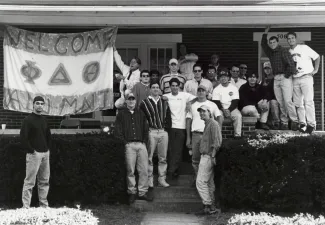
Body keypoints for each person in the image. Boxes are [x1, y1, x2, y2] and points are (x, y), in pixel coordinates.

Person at [114, 92, 153, 204]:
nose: (131, 101)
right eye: (129, 99)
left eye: (133, 99)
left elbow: (146, 129)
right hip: (129, 145)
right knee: (130, 170)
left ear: (136, 101)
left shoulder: (140, 113)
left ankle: (142, 192)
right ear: (126, 101)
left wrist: (144, 142)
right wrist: (125, 143)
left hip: (141, 145)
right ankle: (132, 192)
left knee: (144, 169)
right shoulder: (121, 114)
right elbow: (118, 130)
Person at [261, 26, 299, 131]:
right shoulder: (271, 53)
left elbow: (291, 65)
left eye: (274, 42)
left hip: (285, 77)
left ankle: (294, 121)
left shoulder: (283, 51)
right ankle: (284, 122)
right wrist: (265, 33)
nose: (272, 44)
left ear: (277, 42)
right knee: (280, 101)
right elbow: (263, 44)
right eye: (271, 42)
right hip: (276, 78)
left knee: (287, 101)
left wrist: (285, 76)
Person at [186, 85, 221, 185]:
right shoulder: (192, 105)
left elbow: (219, 117)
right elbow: (188, 120)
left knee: (209, 158)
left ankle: (207, 181)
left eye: (203, 90)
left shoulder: (212, 104)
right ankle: (198, 179)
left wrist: (218, 132)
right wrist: (188, 138)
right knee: (195, 159)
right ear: (197, 92)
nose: (201, 92)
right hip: (196, 134)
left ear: (206, 93)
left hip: (208, 135)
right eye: (199, 90)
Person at [20, 96, 51, 208]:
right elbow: (23, 138)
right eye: (37, 103)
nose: (40, 105)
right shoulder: (27, 120)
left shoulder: (44, 120)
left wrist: (47, 150)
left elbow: (48, 136)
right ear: (33, 104)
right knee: (29, 182)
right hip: (34, 155)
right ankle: (26, 207)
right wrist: (32, 151)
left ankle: (43, 206)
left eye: (42, 104)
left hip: (45, 154)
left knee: (44, 181)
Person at [287, 31, 320, 134]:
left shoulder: (304, 47)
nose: (291, 40)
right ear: (287, 40)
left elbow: (317, 57)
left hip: (306, 77)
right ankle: (303, 123)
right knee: (298, 103)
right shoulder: (288, 52)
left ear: (296, 39)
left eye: (292, 38)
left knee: (309, 101)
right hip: (295, 78)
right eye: (289, 38)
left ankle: (311, 124)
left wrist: (315, 70)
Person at [140, 81, 170, 188]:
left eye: (157, 87)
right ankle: (150, 180)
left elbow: (168, 117)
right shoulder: (144, 102)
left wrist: (166, 130)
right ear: (150, 89)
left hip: (162, 131)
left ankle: (162, 179)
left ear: (160, 89)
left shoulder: (164, 101)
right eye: (153, 87)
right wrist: (146, 131)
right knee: (149, 157)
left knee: (163, 157)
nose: (156, 89)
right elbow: (142, 120)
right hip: (151, 131)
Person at [163, 78, 196, 178]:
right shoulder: (166, 96)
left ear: (179, 86)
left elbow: (196, 98)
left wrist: (190, 103)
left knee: (178, 150)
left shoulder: (184, 95)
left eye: (176, 85)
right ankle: (173, 170)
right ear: (170, 86)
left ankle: (172, 170)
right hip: (170, 127)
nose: (174, 87)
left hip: (181, 127)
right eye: (172, 85)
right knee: (171, 150)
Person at [195, 105, 222, 215]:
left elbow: (217, 142)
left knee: (200, 182)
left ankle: (208, 204)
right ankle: (211, 207)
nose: (202, 114)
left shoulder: (213, 124)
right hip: (206, 156)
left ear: (210, 112)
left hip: (208, 157)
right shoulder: (207, 124)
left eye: (204, 111)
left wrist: (213, 156)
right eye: (200, 112)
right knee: (209, 183)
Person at [212, 68, 242, 138]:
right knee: (218, 116)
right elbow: (216, 102)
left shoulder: (233, 88)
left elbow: (235, 101)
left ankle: (237, 136)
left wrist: (229, 110)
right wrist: (223, 110)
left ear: (228, 78)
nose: (223, 78)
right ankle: (218, 137)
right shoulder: (216, 89)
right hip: (220, 108)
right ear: (219, 79)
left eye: (225, 77)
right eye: (221, 77)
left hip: (232, 107)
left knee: (238, 116)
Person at [262, 62, 280, 130]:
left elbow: (272, 92)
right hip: (265, 99)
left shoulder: (275, 79)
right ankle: (264, 123)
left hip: (274, 98)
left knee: (273, 102)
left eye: (269, 68)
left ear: (272, 69)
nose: (267, 70)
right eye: (265, 68)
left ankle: (277, 123)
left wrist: (266, 99)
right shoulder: (263, 79)